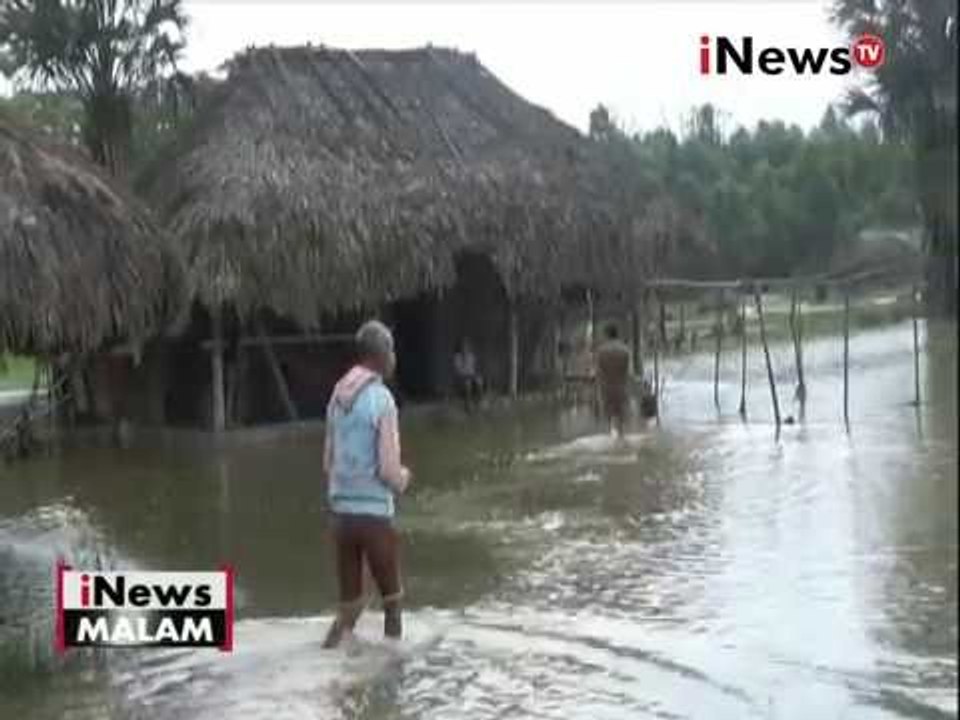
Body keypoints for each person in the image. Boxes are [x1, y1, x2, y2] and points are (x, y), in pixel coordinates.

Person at [322, 320, 412, 648]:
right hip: (374, 517)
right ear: (379, 355)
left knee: (350, 607)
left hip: (342, 517)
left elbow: (327, 463)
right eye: (391, 350)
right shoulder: (381, 399)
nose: (394, 357)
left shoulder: (337, 395)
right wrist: (403, 479)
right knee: (393, 602)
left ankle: (327, 657)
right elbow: (388, 469)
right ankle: (392, 683)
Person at [595, 323, 631, 438]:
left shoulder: (601, 351)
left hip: (606, 386)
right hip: (621, 386)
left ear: (606, 335)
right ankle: (621, 436)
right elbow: (627, 371)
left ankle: (610, 435)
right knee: (620, 414)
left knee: (609, 414)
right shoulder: (625, 350)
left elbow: (599, 371)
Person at [453, 338, 483, 412]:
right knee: (467, 383)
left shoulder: (471, 355)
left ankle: (478, 401)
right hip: (461, 376)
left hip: (471, 375)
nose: (465, 348)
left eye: (466, 346)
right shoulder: (457, 356)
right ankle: (468, 404)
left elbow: (473, 368)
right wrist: (466, 373)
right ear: (460, 348)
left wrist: (475, 374)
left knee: (479, 380)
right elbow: (458, 370)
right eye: (463, 347)